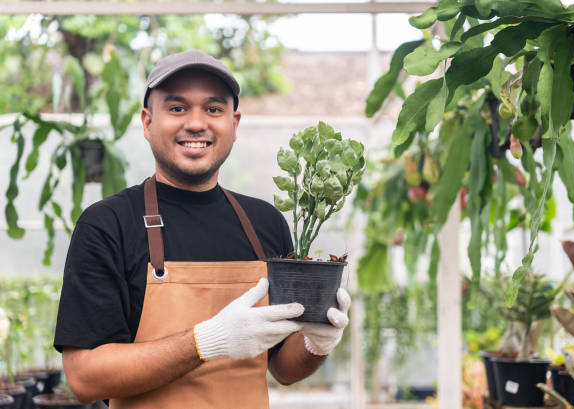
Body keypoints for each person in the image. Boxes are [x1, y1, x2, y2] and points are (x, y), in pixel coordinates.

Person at [53, 50, 351, 409]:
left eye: (213, 109)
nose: (196, 123)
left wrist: (316, 344)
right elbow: (85, 377)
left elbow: (283, 369)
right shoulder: (107, 225)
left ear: (234, 123)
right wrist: (205, 341)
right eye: (177, 108)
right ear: (148, 123)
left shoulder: (266, 224)